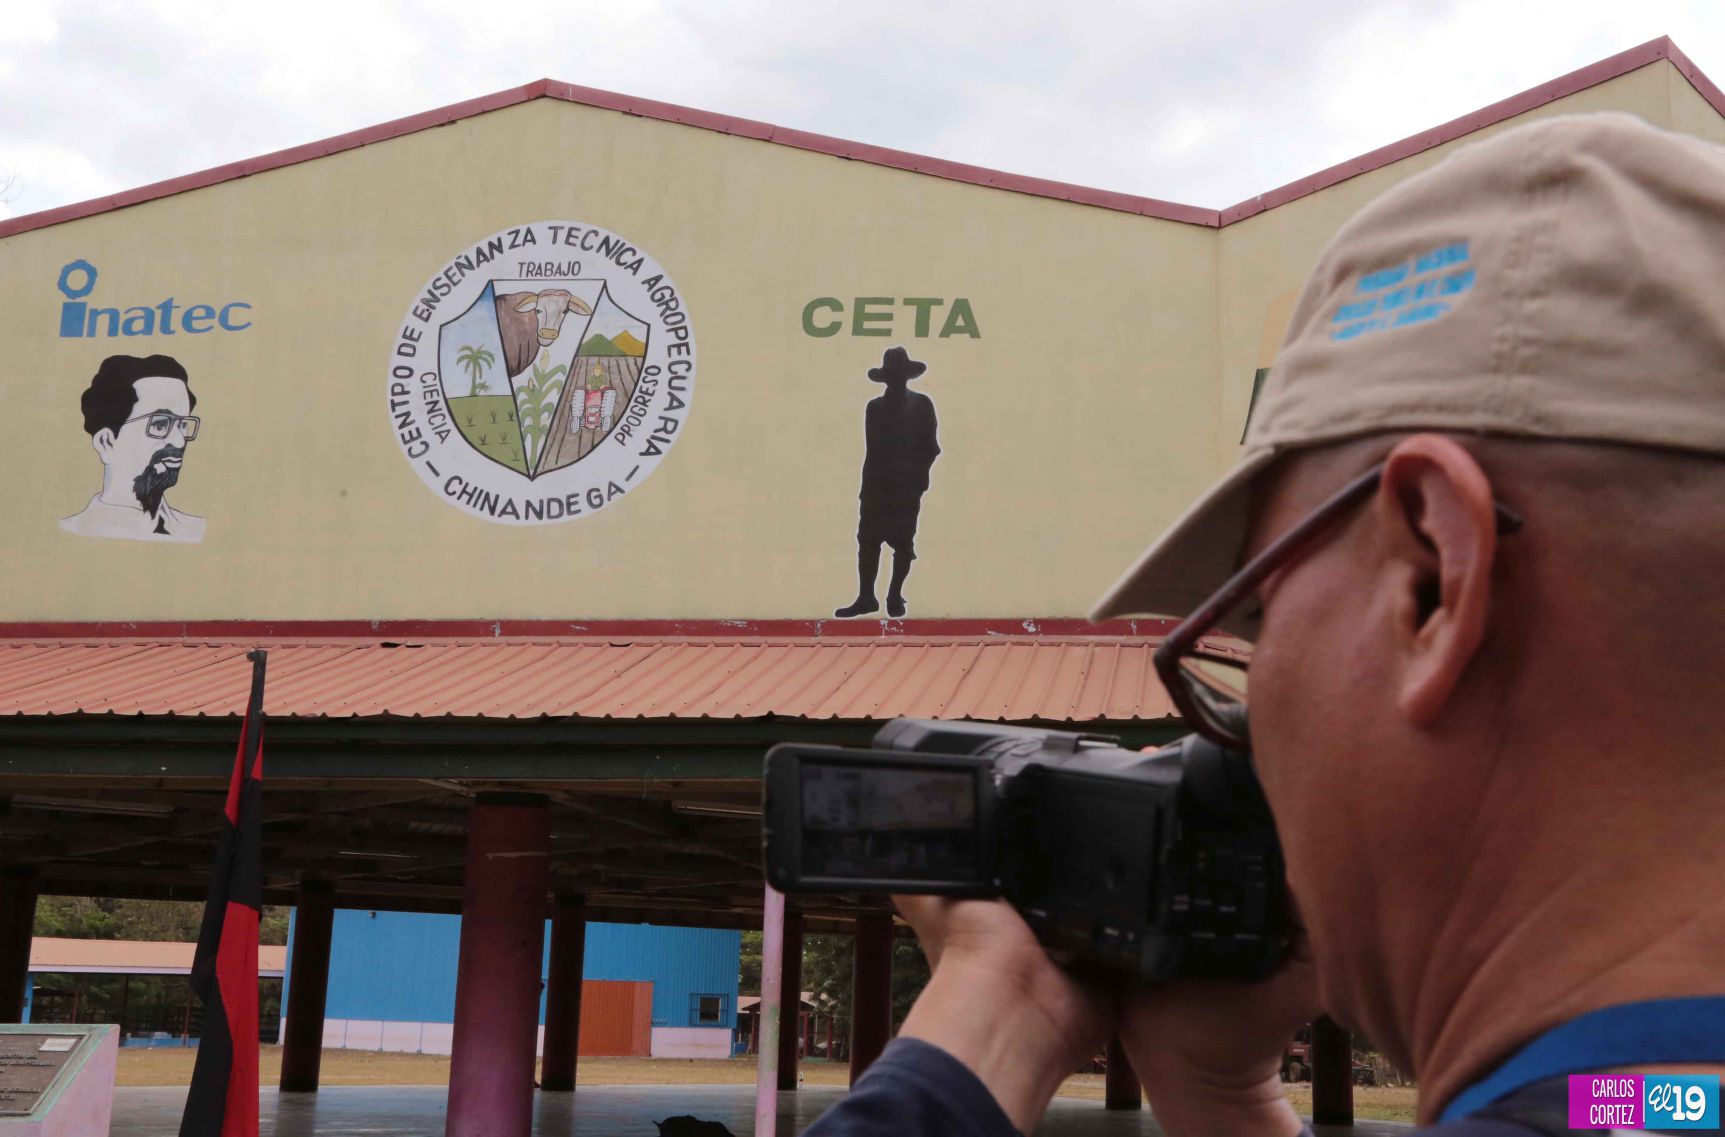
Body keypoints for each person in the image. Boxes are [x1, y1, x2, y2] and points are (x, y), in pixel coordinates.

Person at [805, 112, 1725, 1136]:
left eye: (1264, 616)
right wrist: (1220, 1098)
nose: (1244, 725)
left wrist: (984, 1033)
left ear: (1430, 582)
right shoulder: (1664, 1102)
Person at [835, 346, 940, 619]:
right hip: (876, 486)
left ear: (906, 375)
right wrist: (868, 488)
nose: (896, 378)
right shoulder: (875, 407)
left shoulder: (922, 404)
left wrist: (918, 479)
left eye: (898, 373)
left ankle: (894, 596)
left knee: (903, 543)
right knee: (868, 541)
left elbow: (931, 447)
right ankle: (866, 597)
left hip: (906, 487)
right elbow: (874, 450)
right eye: (892, 373)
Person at [61, 354, 205, 542]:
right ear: (106, 443)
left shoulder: (196, 530)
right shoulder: (73, 532)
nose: (179, 442)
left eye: (182, 425)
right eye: (160, 425)